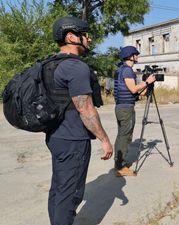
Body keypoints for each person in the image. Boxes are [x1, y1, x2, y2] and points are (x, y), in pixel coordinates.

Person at [46, 16, 113, 225]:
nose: (89, 40)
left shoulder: (51, 64)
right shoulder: (76, 67)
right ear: (72, 37)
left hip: (55, 136)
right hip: (73, 140)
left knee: (58, 188)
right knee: (70, 194)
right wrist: (104, 139)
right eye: (86, 35)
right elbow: (85, 109)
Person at [113, 46, 156, 176]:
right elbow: (133, 89)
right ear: (130, 56)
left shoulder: (122, 69)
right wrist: (147, 82)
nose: (137, 56)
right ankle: (121, 167)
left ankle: (119, 163)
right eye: (136, 54)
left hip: (122, 106)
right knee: (125, 137)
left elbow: (129, 91)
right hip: (125, 109)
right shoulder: (127, 70)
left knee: (122, 135)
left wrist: (144, 92)